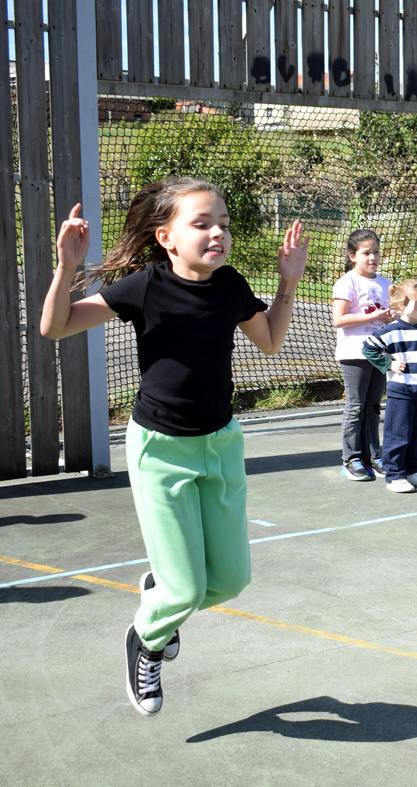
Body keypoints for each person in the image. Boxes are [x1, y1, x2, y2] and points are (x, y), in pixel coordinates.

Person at [39, 178, 308, 715]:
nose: (218, 233)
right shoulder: (143, 286)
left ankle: (159, 593)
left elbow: (273, 341)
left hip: (222, 445)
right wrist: (67, 266)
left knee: (231, 581)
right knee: (185, 593)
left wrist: (288, 282)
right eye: (202, 223)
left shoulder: (230, 286)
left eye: (224, 224)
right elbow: (55, 327)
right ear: (165, 236)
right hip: (160, 450)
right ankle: (147, 637)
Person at [363, 279, 417, 493]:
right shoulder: (390, 332)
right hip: (400, 393)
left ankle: (411, 471)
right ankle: (394, 476)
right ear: (401, 304)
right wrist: (389, 364)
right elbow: (368, 349)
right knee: (398, 434)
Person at [332, 229, 394, 480]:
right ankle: (352, 460)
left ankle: (372, 456)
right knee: (356, 407)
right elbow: (340, 319)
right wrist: (373, 316)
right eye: (366, 253)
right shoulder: (347, 282)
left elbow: (388, 316)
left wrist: (392, 317)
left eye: (376, 252)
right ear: (352, 256)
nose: (373, 257)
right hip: (354, 354)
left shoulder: (385, 283)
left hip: (379, 353)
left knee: (373, 406)